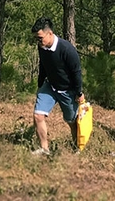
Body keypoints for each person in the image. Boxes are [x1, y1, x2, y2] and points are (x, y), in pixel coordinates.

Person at [31, 17, 84, 155]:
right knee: (38, 116)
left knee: (72, 122)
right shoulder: (41, 46)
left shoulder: (67, 49)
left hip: (68, 90)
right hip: (50, 86)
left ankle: (77, 147)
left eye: (40, 37)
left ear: (50, 33)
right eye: (36, 38)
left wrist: (79, 93)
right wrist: (40, 84)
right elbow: (43, 65)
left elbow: (76, 72)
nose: (38, 41)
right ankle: (44, 149)